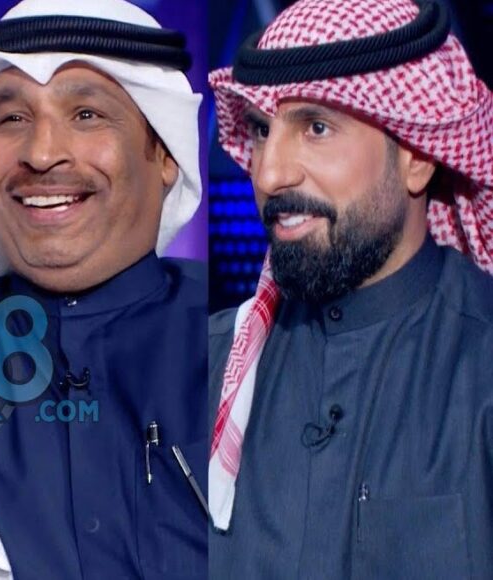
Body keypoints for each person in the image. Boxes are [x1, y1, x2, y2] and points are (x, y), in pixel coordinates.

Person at [0, 0, 208, 577]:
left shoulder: (243, 337)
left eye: (87, 115)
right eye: (13, 119)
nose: (41, 154)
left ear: (165, 155)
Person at [207, 0, 493, 577]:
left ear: (416, 159)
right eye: (261, 130)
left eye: (316, 128)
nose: (269, 174)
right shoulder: (206, 363)